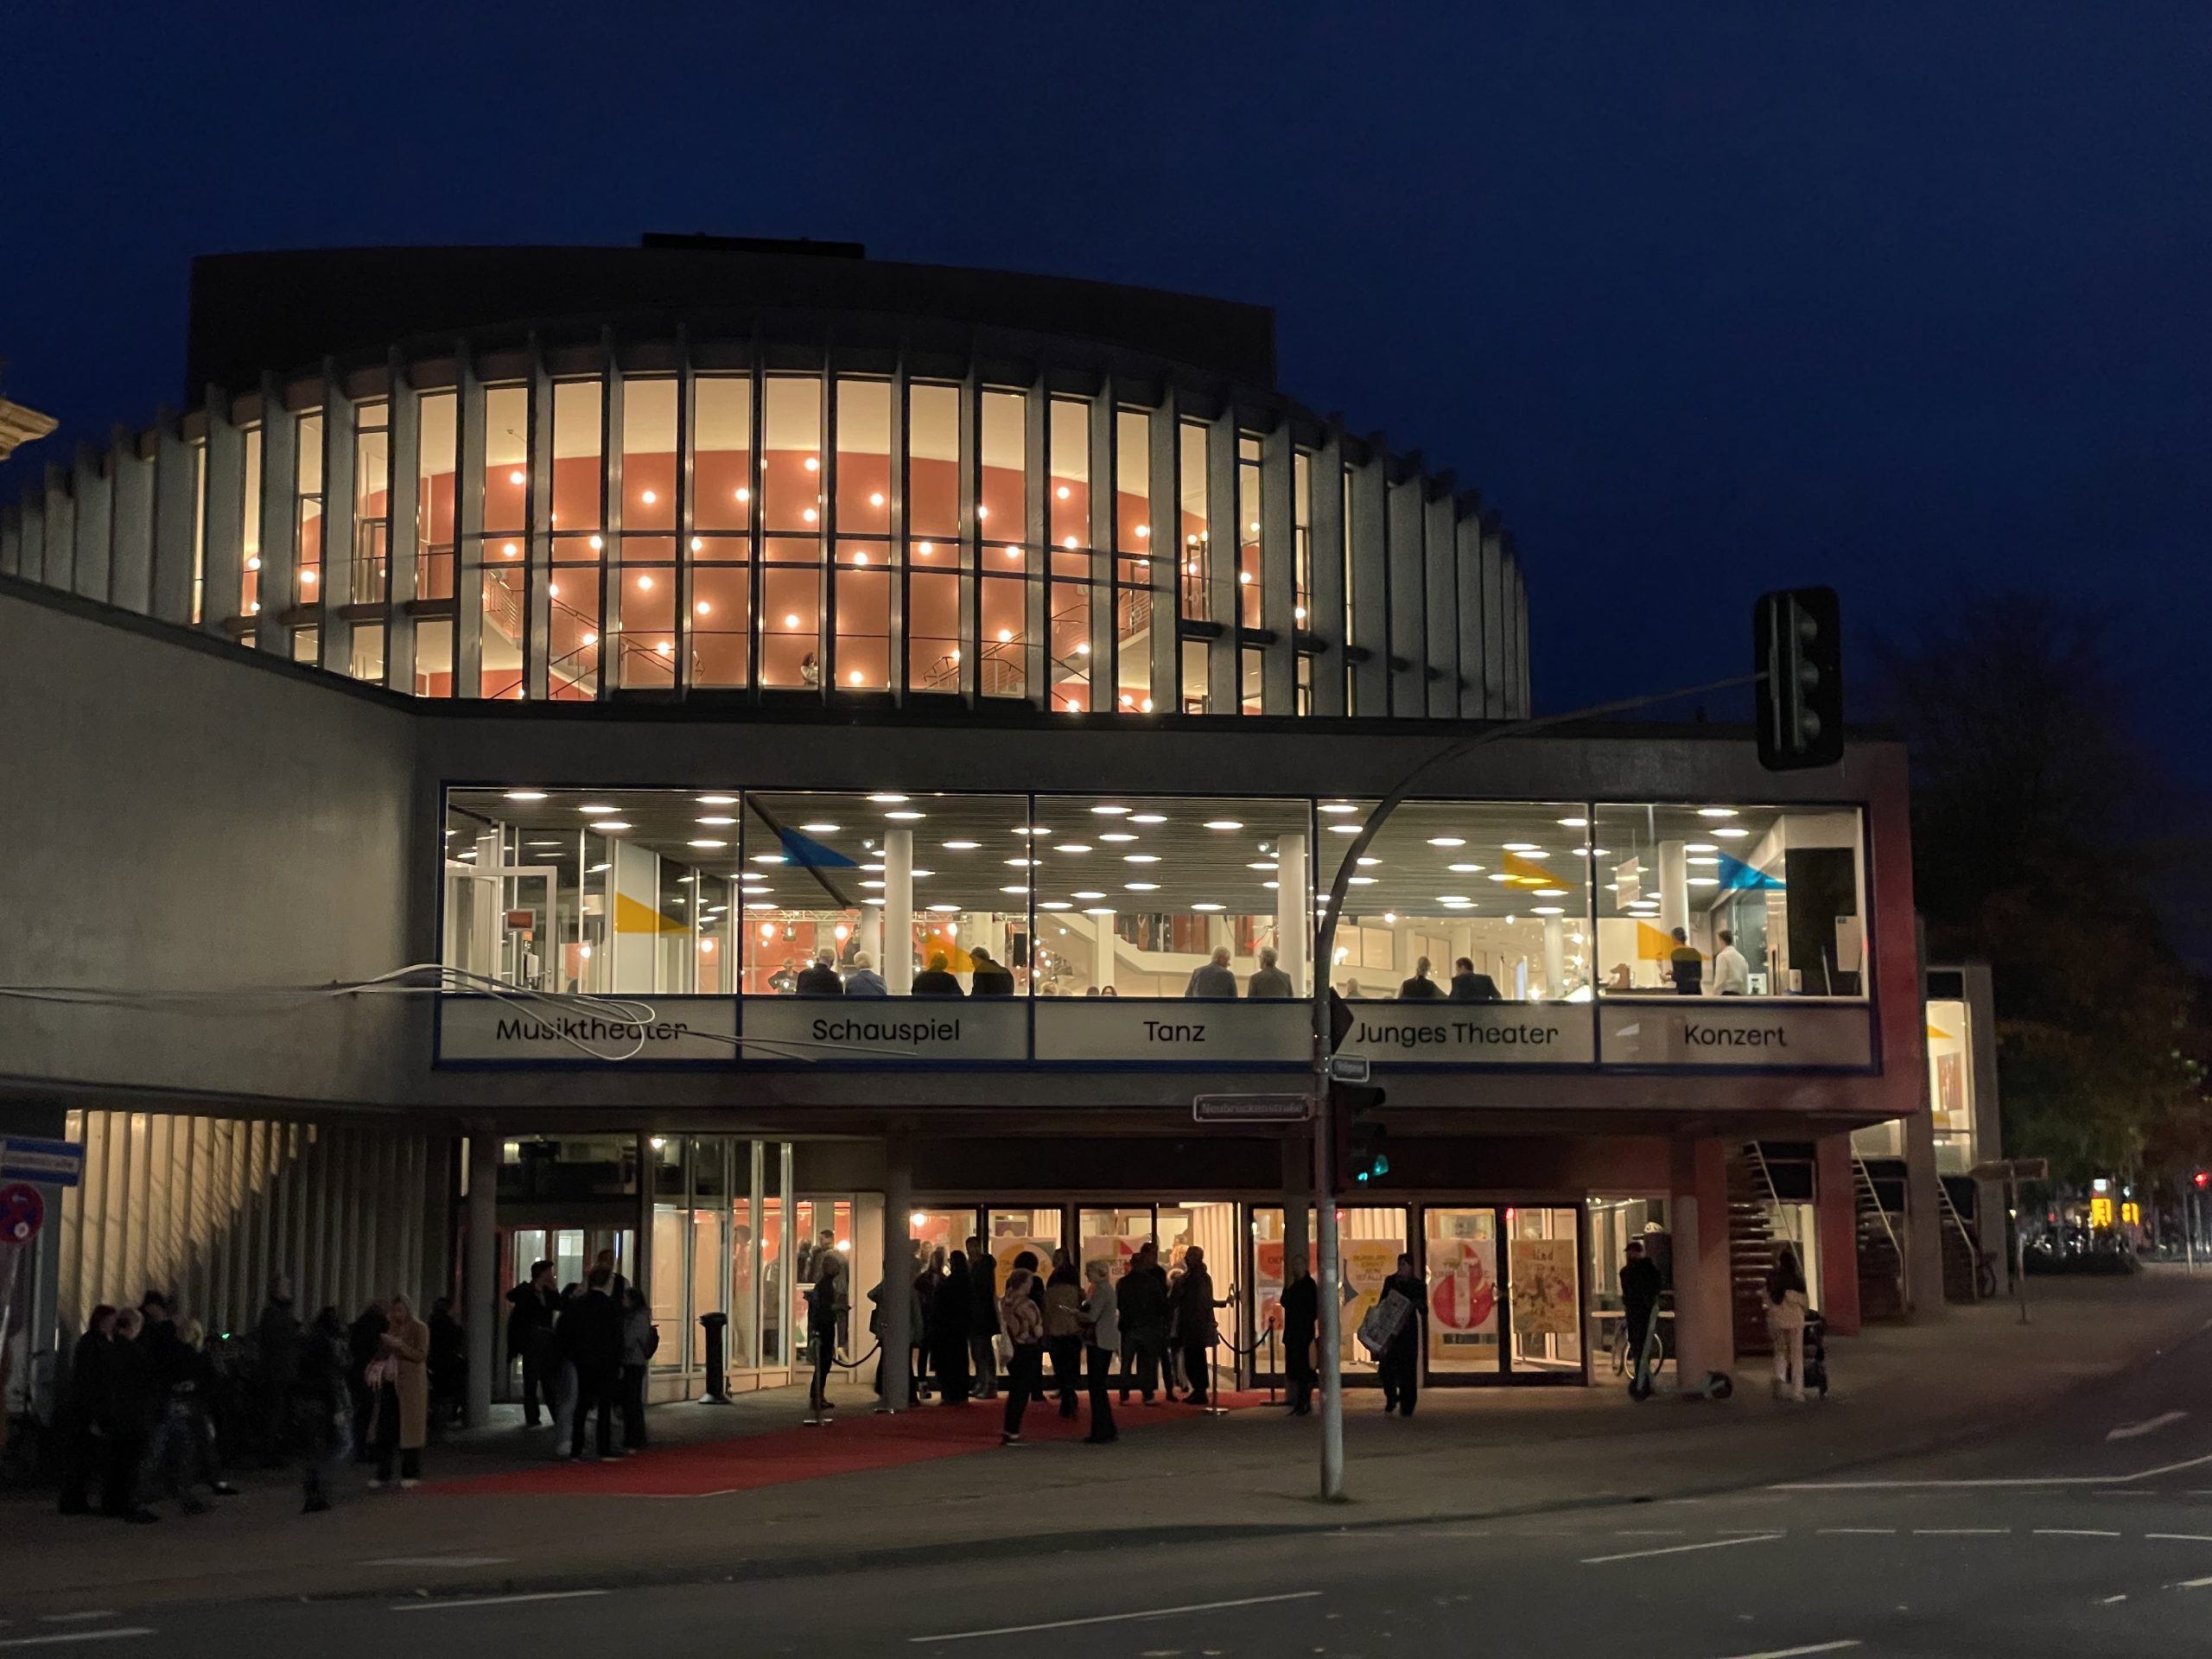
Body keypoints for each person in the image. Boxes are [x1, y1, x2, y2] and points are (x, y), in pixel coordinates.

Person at [56, 1306, 116, 1515]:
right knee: (83, 1458)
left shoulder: (89, 1342)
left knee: (81, 1458)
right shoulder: (97, 1344)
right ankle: (74, 1501)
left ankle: (73, 1500)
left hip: (82, 1408)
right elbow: (94, 1379)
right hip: (87, 1409)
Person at [101, 1306, 158, 1522]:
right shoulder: (135, 1353)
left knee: (115, 1462)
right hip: (134, 1417)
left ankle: (112, 1503)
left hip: (115, 1416)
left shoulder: (108, 1349)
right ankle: (127, 1504)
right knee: (130, 1464)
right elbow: (146, 1384)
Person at [295, 1306, 351, 1513]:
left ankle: (313, 1492)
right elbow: (332, 1374)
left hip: (308, 1400)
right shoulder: (328, 1344)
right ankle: (319, 1490)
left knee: (314, 1449)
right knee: (338, 1445)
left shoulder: (308, 1342)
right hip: (322, 1400)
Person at [371, 1292, 430, 1487]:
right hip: (391, 1383)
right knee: (387, 1429)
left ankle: (410, 1473)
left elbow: (420, 1355)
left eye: (400, 1310)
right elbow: (382, 1353)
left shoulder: (420, 1329)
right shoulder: (392, 1329)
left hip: (411, 1387)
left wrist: (400, 1346)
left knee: (410, 1430)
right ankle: (383, 1473)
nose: (397, 1315)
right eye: (394, 1311)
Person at [566, 1268, 622, 1461]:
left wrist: (574, 1356)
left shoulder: (578, 1305)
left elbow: (568, 1333)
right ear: (607, 1283)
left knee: (582, 1404)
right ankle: (603, 1448)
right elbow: (617, 1338)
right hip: (606, 1361)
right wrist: (618, 1362)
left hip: (584, 1360)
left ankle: (576, 1448)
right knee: (605, 1406)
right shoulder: (612, 1306)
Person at [1166, 1245, 1225, 1405]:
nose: (1187, 1259)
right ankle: (1197, 1389)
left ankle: (1200, 1390)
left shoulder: (1199, 1278)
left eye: (1190, 1256)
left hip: (1196, 1323)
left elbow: (1204, 1301)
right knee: (1191, 1358)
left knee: (1196, 1357)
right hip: (1187, 1322)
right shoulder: (1189, 1277)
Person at [252, 1273, 301, 1466]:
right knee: (273, 1413)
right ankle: (268, 1452)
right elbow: (272, 1340)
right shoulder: (273, 1314)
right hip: (275, 1372)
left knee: (277, 1413)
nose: (289, 1290)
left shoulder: (279, 1313)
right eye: (285, 1287)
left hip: (281, 1371)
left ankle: (273, 1449)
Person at [505, 1258, 557, 1427]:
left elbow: (560, 1305)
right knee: (531, 1380)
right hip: (531, 1341)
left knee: (548, 1380)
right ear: (542, 1273)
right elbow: (511, 1296)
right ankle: (532, 1417)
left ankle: (554, 1415)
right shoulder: (526, 1291)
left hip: (546, 1341)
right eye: (549, 1272)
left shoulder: (548, 1293)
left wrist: (554, 1290)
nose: (551, 1275)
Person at [997, 1267, 1046, 1446]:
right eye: (1030, 1281)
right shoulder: (1027, 1304)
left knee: (1015, 1390)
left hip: (1012, 1348)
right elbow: (1038, 1329)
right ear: (1025, 1283)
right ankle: (1013, 1431)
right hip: (1026, 1348)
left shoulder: (1006, 1301)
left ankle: (1009, 1429)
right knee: (1021, 1391)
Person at [1376, 1253, 1428, 1417]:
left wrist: (1417, 1304)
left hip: (1407, 1332)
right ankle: (1391, 1397)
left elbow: (1424, 1310)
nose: (1401, 1269)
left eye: (1404, 1266)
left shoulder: (1418, 1285)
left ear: (1411, 1267)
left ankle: (1407, 1405)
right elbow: (1382, 1303)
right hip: (1391, 1332)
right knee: (1386, 1367)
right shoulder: (1391, 1282)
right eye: (1399, 1265)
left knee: (1408, 1370)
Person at [1116, 1243, 1168, 1405]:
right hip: (1148, 1326)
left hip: (1129, 1326)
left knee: (1126, 1362)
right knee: (1147, 1362)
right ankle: (1147, 1394)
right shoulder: (1152, 1282)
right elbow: (1161, 1304)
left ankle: (1124, 1394)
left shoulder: (1122, 1283)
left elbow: (1119, 1303)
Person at [803, 1249, 845, 1425]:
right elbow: (824, 1309)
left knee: (823, 1365)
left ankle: (818, 1395)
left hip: (824, 1327)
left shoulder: (824, 1284)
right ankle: (817, 1396)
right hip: (825, 1328)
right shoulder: (825, 1285)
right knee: (823, 1364)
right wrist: (838, 1309)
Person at [1079, 1261, 1120, 1444]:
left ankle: (1102, 1430)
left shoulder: (1101, 1291)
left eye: (1089, 1271)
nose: (1087, 1274)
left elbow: (1092, 1316)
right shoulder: (1106, 1289)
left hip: (1099, 1341)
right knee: (1098, 1387)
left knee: (1097, 1387)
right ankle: (1106, 1428)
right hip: (1105, 1340)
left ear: (1098, 1272)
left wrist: (1076, 1313)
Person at [1042, 1255, 1085, 1418]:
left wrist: (1045, 1333)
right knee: (1071, 1365)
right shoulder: (1076, 1292)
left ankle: (1067, 1394)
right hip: (1073, 1332)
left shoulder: (1050, 1293)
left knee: (1060, 1367)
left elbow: (1046, 1314)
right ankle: (1070, 1393)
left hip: (1056, 1332)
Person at [1619, 1239, 1664, 1394]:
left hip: (1639, 1312)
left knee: (1640, 1345)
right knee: (1641, 1346)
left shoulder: (1632, 1271)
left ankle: (1642, 1378)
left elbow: (1631, 1291)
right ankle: (1643, 1377)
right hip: (1641, 1311)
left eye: (1632, 1252)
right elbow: (1657, 1286)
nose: (1630, 1255)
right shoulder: (1645, 1269)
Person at [1766, 1243, 1809, 1402]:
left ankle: (1779, 1378)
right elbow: (1804, 1303)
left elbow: (1768, 1297)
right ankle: (1797, 1391)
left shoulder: (1773, 1278)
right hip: (1796, 1322)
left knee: (1780, 1352)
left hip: (1778, 1321)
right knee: (1797, 1356)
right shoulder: (1797, 1280)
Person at [931, 1250, 974, 1405]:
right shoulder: (967, 1280)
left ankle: (950, 1394)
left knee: (949, 1362)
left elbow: (941, 1302)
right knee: (960, 1361)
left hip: (948, 1327)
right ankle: (960, 1394)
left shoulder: (950, 1282)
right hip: (960, 1327)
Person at [346, 1300, 386, 1463]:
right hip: (375, 1371)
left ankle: (359, 1449)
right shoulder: (382, 1326)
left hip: (359, 1372)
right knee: (375, 1412)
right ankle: (373, 1448)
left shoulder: (357, 1326)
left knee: (361, 1413)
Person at [620, 1286, 656, 1452]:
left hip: (633, 1362)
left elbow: (629, 1339)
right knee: (631, 1401)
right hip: (634, 1362)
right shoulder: (637, 1316)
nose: (623, 1301)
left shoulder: (638, 1318)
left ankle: (635, 1437)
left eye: (625, 1298)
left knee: (631, 1401)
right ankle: (635, 1436)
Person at [1281, 1262, 1319, 1416]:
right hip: (1293, 1333)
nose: (1293, 1270)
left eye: (1295, 1267)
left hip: (1303, 1333)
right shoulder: (1295, 1285)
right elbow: (1284, 1301)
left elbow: (1312, 1309)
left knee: (1304, 1368)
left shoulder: (1309, 1286)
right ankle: (1300, 1402)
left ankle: (1305, 1402)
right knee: (1296, 1369)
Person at [964, 1235, 1000, 1400]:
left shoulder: (983, 1265)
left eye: (974, 1246)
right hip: (975, 1314)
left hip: (982, 1314)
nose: (971, 1250)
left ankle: (988, 1383)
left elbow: (984, 1289)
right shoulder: (974, 1265)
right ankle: (981, 1381)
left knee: (983, 1351)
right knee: (978, 1351)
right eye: (969, 1247)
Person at [427, 1296, 467, 1433]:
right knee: (448, 1394)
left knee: (438, 1394)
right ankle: (442, 1423)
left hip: (435, 1362)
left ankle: (436, 1422)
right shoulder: (449, 1324)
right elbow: (457, 1339)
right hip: (448, 1363)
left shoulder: (431, 1323)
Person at [1711, 929, 1750, 995]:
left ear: (1721, 941)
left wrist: (1715, 995)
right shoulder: (1741, 958)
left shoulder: (1722, 956)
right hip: (1739, 995)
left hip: (1726, 994)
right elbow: (1745, 980)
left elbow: (1720, 981)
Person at [1669, 928, 1703, 995]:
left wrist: (1667, 977)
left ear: (1674, 938)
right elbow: (1697, 974)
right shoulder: (1695, 952)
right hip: (1697, 990)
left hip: (1683, 991)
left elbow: (1677, 976)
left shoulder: (1676, 953)